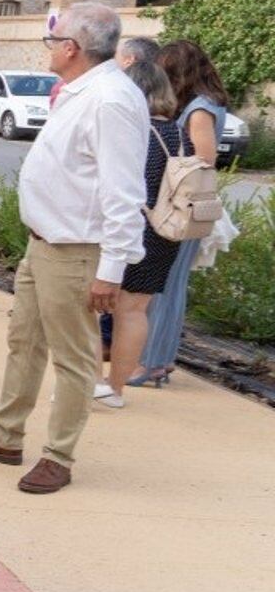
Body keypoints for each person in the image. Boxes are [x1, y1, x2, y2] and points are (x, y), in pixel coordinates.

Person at [0, 3, 148, 494]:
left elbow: (123, 192)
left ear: (71, 48)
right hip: (45, 244)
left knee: (74, 358)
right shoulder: (84, 91)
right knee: (24, 342)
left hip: (76, 249)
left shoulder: (110, 100)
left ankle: (59, 455)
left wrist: (111, 270)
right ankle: (4, 435)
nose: (48, 50)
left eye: (52, 41)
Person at [132, 39, 227, 387]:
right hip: (185, 207)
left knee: (164, 288)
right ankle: (159, 359)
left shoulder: (200, 109)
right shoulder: (205, 104)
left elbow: (203, 162)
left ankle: (153, 362)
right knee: (168, 285)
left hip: (181, 208)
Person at [94, 60, 184, 408]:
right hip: (165, 233)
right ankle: (117, 388)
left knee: (94, 308)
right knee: (134, 312)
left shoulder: (137, 131)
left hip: (129, 229)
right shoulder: (180, 134)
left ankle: (93, 382)